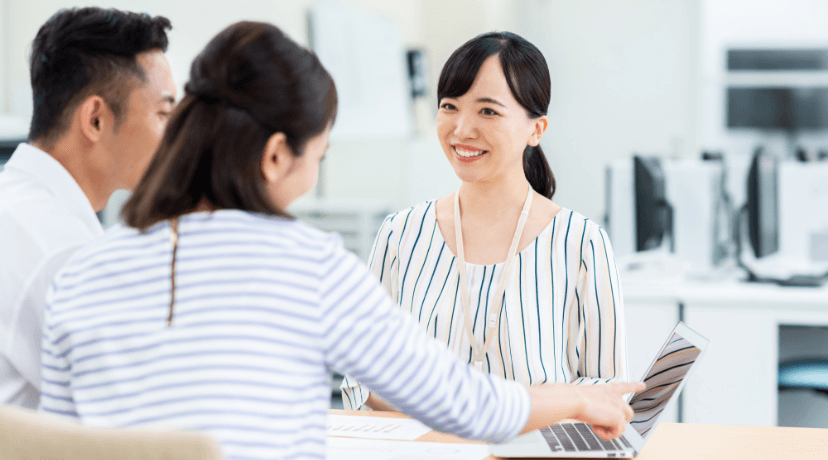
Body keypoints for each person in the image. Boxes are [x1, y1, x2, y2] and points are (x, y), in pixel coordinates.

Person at [38, 21, 643, 460]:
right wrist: (579, 402)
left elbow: (51, 445)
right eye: (320, 154)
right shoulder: (309, 263)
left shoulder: (83, 271)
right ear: (277, 155)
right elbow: (468, 404)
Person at [342, 32, 628, 411]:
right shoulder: (401, 234)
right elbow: (360, 380)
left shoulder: (581, 243)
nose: (461, 130)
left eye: (488, 111)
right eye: (449, 106)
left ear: (536, 129)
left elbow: (605, 387)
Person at [0, 7, 175, 409]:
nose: (175, 139)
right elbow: (140, 414)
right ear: (96, 119)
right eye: (163, 115)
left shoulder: (19, 206)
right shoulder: (60, 252)